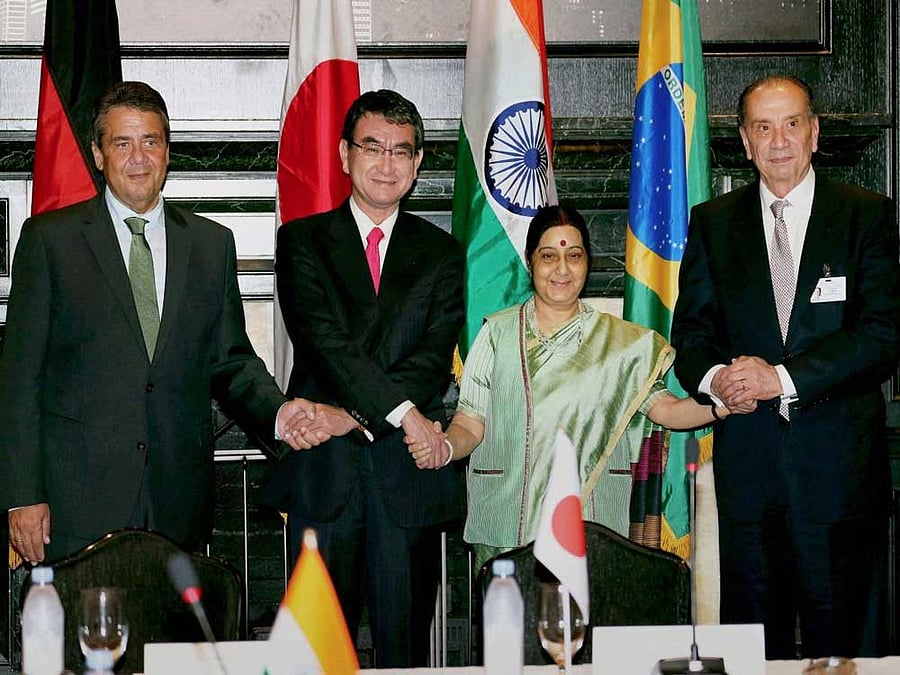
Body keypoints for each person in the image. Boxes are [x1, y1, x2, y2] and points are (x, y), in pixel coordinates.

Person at [0, 81, 327, 565]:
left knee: (174, 641)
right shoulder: (50, 241)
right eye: (122, 143)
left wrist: (278, 414)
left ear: (168, 152)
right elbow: (19, 377)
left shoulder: (210, 244)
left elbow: (231, 361)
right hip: (77, 503)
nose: (138, 158)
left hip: (177, 499)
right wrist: (22, 493)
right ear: (97, 153)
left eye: (150, 142)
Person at [671, 75, 900, 658]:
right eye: (762, 127)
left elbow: (882, 335)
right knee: (753, 653)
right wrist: (715, 381)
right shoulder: (713, 223)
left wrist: (781, 378)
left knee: (850, 652)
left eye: (791, 123)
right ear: (744, 142)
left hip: (841, 479)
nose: (779, 141)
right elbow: (690, 336)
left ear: (815, 132)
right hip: (750, 479)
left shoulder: (865, 215)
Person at [406, 205, 731, 569]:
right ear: (530, 263)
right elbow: (470, 423)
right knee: (512, 626)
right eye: (549, 256)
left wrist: (722, 402)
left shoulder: (620, 343)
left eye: (573, 256)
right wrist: (446, 447)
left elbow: (667, 409)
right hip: (508, 527)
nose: (562, 269)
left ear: (586, 263)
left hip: (592, 526)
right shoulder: (496, 334)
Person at [271, 89, 464, 667]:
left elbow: (432, 360)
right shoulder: (303, 241)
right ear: (344, 154)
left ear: (418, 163)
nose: (387, 164)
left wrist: (348, 416)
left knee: (404, 654)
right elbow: (327, 348)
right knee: (318, 656)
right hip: (325, 480)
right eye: (373, 147)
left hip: (404, 481)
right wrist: (400, 414)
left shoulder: (443, 252)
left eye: (402, 151)